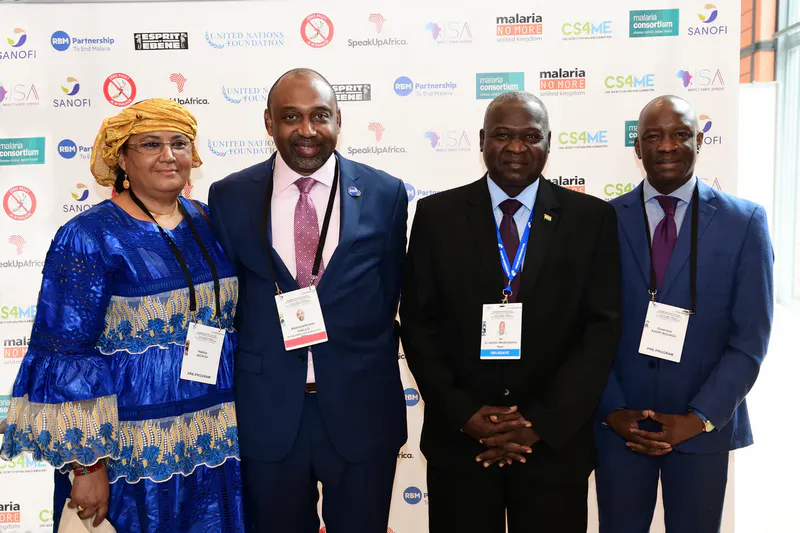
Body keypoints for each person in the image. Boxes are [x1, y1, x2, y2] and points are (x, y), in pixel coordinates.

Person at [0, 99, 245, 532]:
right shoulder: (88, 235)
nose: (168, 155)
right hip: (130, 451)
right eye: (151, 144)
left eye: (179, 143)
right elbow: (65, 352)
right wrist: (87, 466)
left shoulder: (208, 220)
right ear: (122, 160)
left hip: (215, 437)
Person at [400, 91, 622, 533]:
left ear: (549, 143)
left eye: (531, 136)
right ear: (482, 139)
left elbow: (600, 331)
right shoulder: (436, 215)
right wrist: (465, 414)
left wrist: (539, 422)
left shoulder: (590, 218)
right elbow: (419, 325)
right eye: (502, 135)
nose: (516, 147)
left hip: (552, 447)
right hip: (461, 445)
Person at [208, 68, 408, 533]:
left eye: (319, 115)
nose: (307, 129)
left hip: (361, 410)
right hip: (267, 413)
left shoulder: (385, 192)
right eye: (291, 117)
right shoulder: (229, 195)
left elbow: (389, 294)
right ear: (269, 122)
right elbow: (231, 302)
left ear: (338, 119)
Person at [595, 95, 774, 533]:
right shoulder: (602, 220)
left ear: (699, 141)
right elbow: (586, 328)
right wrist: (613, 411)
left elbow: (750, 339)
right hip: (622, 429)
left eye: (680, 134)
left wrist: (698, 418)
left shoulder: (744, 222)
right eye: (652, 136)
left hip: (702, 429)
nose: (666, 145)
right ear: (637, 147)